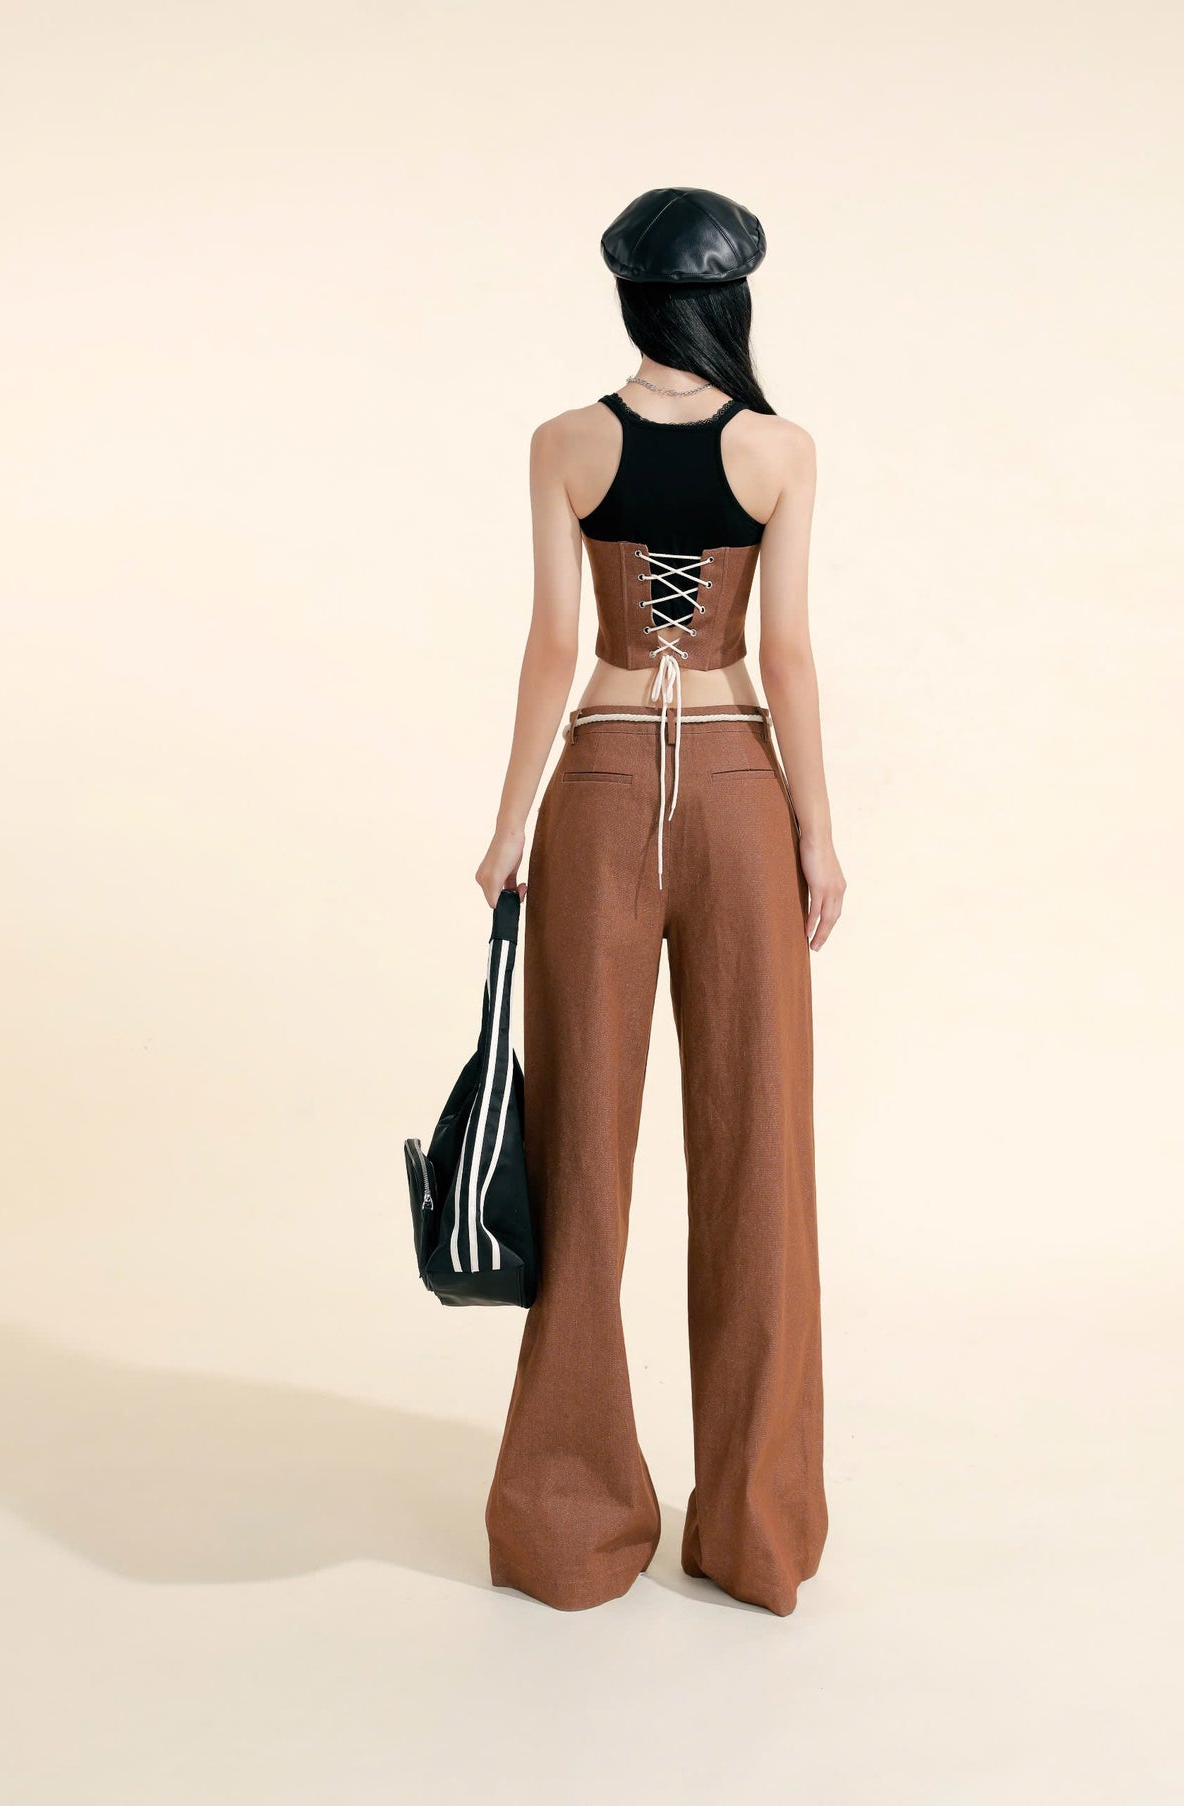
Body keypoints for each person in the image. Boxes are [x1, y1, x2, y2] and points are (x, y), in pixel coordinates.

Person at [475, 187, 845, 1615]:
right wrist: (818, 836)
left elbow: (553, 645)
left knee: (579, 1155)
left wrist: (509, 824)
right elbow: (786, 654)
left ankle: (566, 1530)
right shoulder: (779, 449)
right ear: (731, 299)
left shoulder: (564, 442)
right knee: (761, 1157)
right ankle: (756, 1532)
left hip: (601, 782)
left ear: (629, 298)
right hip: (744, 792)